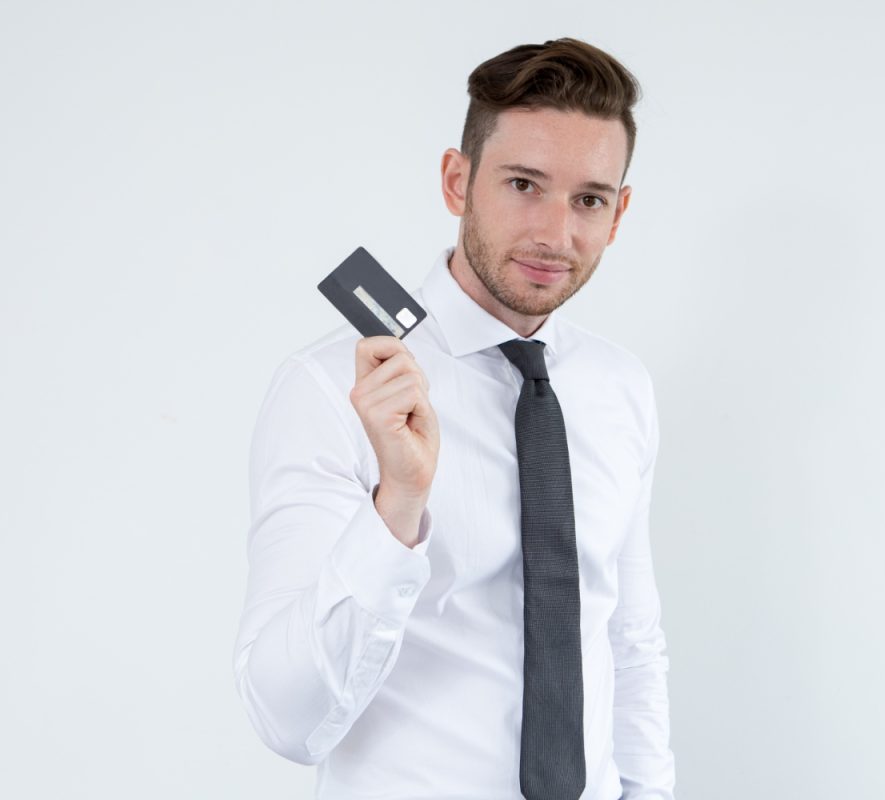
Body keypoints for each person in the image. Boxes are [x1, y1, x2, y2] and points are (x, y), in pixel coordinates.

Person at [233, 38, 676, 799]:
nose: (556, 234)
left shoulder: (619, 387)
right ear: (457, 179)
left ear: (620, 211)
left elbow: (627, 641)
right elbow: (286, 719)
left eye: (589, 199)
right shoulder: (330, 388)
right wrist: (396, 509)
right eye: (524, 184)